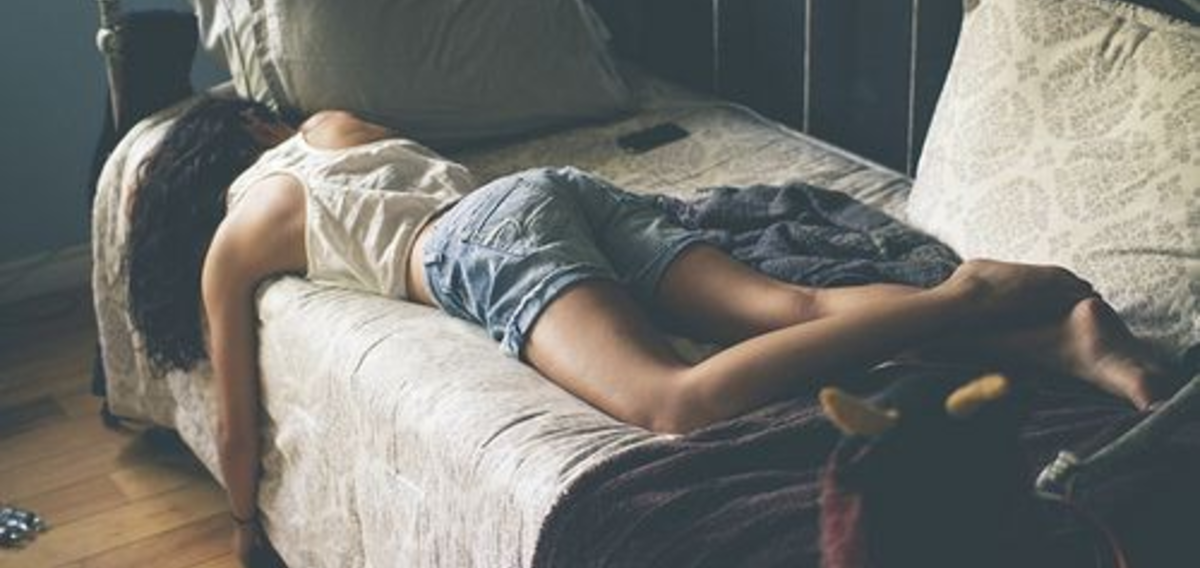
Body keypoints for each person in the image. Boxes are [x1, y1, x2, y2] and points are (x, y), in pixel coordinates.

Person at [125, 97, 1172, 566]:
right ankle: (1055, 342)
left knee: (675, 401)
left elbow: (237, 424)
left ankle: (963, 298)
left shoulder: (237, 235)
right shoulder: (332, 122)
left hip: (475, 244)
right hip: (548, 191)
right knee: (793, 307)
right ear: (256, 125)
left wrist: (244, 523)